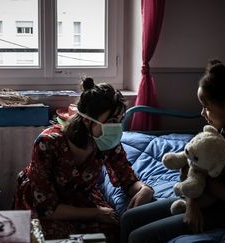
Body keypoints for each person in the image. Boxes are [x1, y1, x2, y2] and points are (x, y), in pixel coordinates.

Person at [120, 59, 225, 243]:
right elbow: (194, 166)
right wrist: (192, 203)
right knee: (128, 218)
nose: (202, 114)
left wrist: (194, 189)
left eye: (206, 107)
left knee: (139, 237)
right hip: (205, 197)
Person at [14, 77, 154, 241]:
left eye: (120, 120)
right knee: (54, 237)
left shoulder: (106, 142)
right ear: (88, 120)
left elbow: (127, 178)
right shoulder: (48, 143)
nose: (117, 127)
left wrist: (145, 189)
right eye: (111, 121)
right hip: (43, 202)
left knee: (111, 232)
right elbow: (47, 208)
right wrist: (96, 213)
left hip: (79, 198)